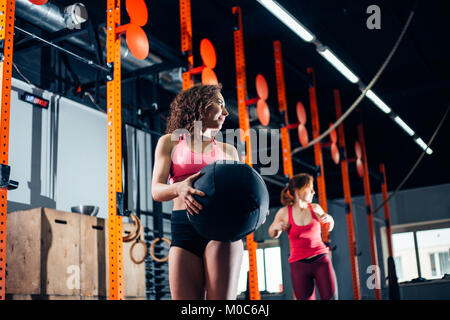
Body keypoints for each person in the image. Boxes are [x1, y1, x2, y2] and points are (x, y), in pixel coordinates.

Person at [151, 84, 243, 300]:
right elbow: (156, 190)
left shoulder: (229, 151)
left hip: (221, 230)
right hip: (184, 230)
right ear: (200, 105)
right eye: (220, 104)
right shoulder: (170, 142)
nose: (226, 112)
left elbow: (240, 192)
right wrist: (179, 188)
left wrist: (255, 205)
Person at [268, 173, 338, 300]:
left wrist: (330, 219)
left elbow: (329, 226)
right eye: (310, 188)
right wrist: (276, 227)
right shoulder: (284, 212)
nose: (313, 191)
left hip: (320, 260)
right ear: (298, 191)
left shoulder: (315, 208)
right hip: (299, 264)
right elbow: (272, 233)